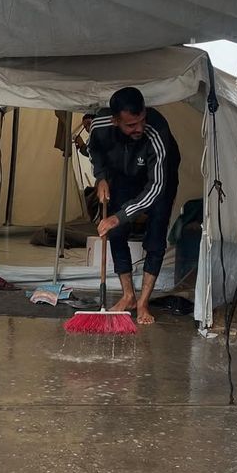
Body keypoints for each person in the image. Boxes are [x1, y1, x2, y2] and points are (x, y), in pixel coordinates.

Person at [87, 87, 180, 325]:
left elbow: (156, 187)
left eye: (141, 120)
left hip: (160, 178)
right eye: (130, 125)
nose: (138, 128)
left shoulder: (157, 131)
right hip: (124, 175)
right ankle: (128, 296)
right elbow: (94, 150)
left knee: (156, 234)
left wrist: (120, 215)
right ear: (115, 120)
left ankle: (143, 302)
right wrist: (101, 178)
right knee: (115, 231)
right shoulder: (100, 125)